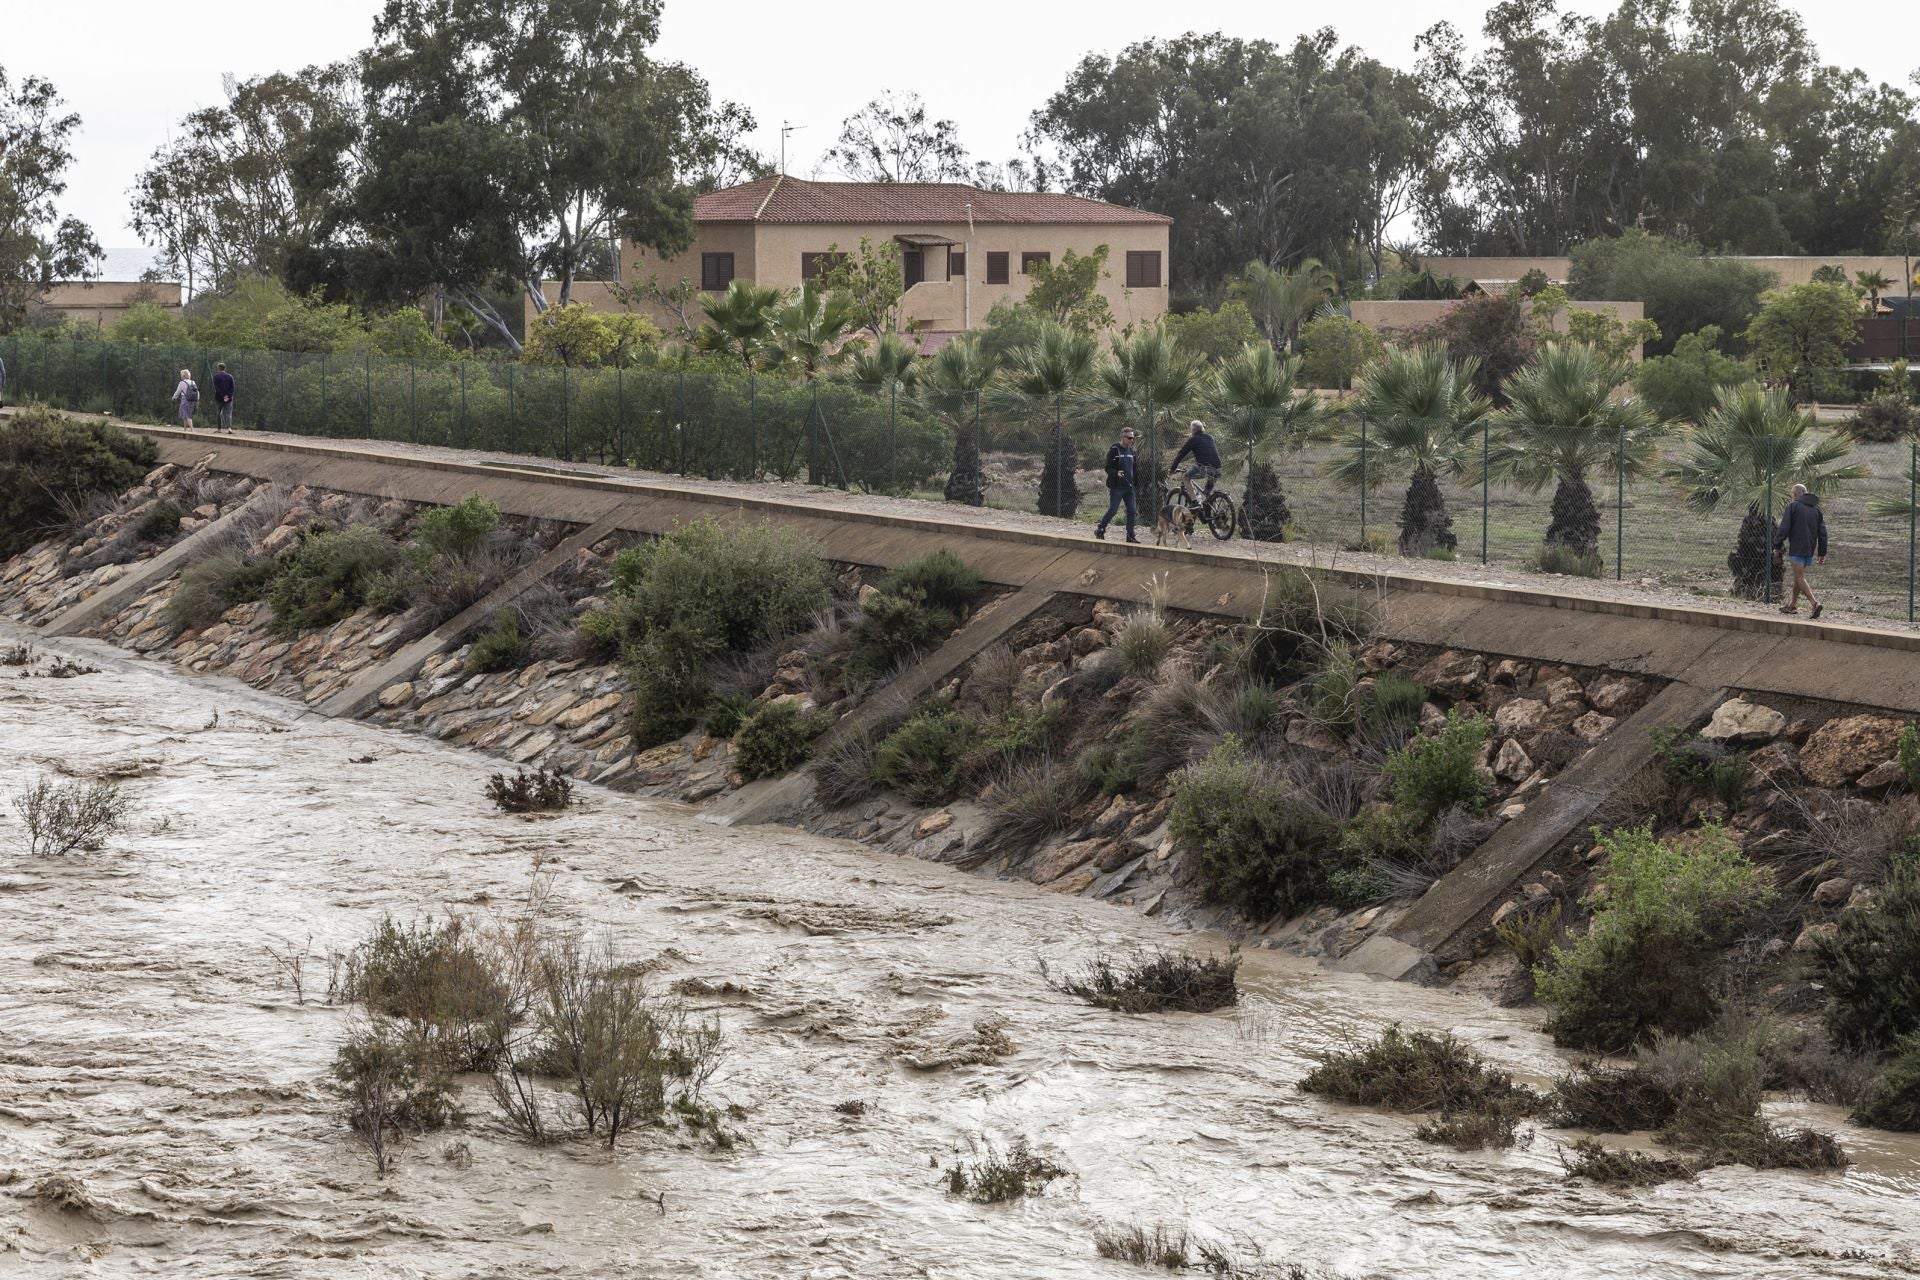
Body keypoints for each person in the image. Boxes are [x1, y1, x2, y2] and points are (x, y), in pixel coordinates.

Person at [1773, 482, 1827, 619]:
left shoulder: (1793, 506)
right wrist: (1822, 552)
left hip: (1797, 548)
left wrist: (1777, 545)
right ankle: (1792, 605)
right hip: (1809, 549)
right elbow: (1823, 533)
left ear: (1795, 494)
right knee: (1799, 576)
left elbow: (1784, 528)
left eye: (1792, 494)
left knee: (1799, 577)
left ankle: (1815, 604)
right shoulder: (1817, 510)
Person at [1094, 426, 1140, 544]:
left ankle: (1130, 535)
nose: (1131, 440)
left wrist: (1135, 482)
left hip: (1129, 487)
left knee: (1132, 510)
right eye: (1129, 438)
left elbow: (1134, 468)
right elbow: (1107, 467)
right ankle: (1100, 529)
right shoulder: (1114, 450)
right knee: (1113, 510)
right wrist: (1116, 473)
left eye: (1132, 438)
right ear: (1122, 437)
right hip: (1117, 487)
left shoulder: (1132, 451)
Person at [1169, 418, 1223, 503]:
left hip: (1204, 469)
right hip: (1218, 469)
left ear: (1192, 430)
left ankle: (1194, 502)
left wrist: (1172, 469)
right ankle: (1212, 513)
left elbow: (1181, 454)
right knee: (1207, 494)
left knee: (1186, 477)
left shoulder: (1193, 439)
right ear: (1202, 429)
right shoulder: (1211, 438)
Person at [212, 362, 236, 434]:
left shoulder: (216, 377)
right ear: (225, 368)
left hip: (219, 398)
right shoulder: (230, 376)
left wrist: (222, 396)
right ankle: (229, 428)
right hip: (229, 398)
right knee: (228, 413)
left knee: (219, 413)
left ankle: (219, 429)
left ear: (218, 368)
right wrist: (228, 396)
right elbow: (233, 387)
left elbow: (216, 388)